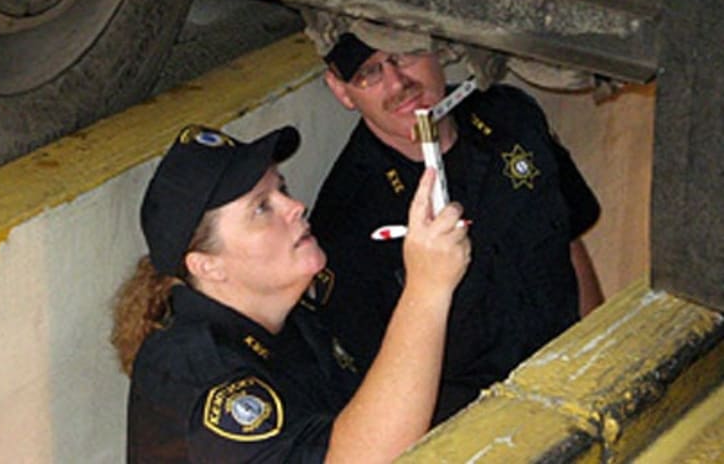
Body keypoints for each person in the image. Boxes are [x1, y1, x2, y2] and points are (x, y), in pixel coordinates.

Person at [111, 123, 470, 463]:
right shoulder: (195, 372)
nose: (296, 207)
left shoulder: (295, 318)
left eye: (281, 190)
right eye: (261, 208)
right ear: (207, 266)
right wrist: (427, 288)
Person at [308, 31, 605, 426]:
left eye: (405, 53)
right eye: (369, 72)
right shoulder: (345, 222)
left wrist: (601, 357)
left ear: (436, 43)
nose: (398, 83)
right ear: (341, 90)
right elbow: (384, 390)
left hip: (576, 379)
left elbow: (567, 242)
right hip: (480, 430)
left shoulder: (511, 116)